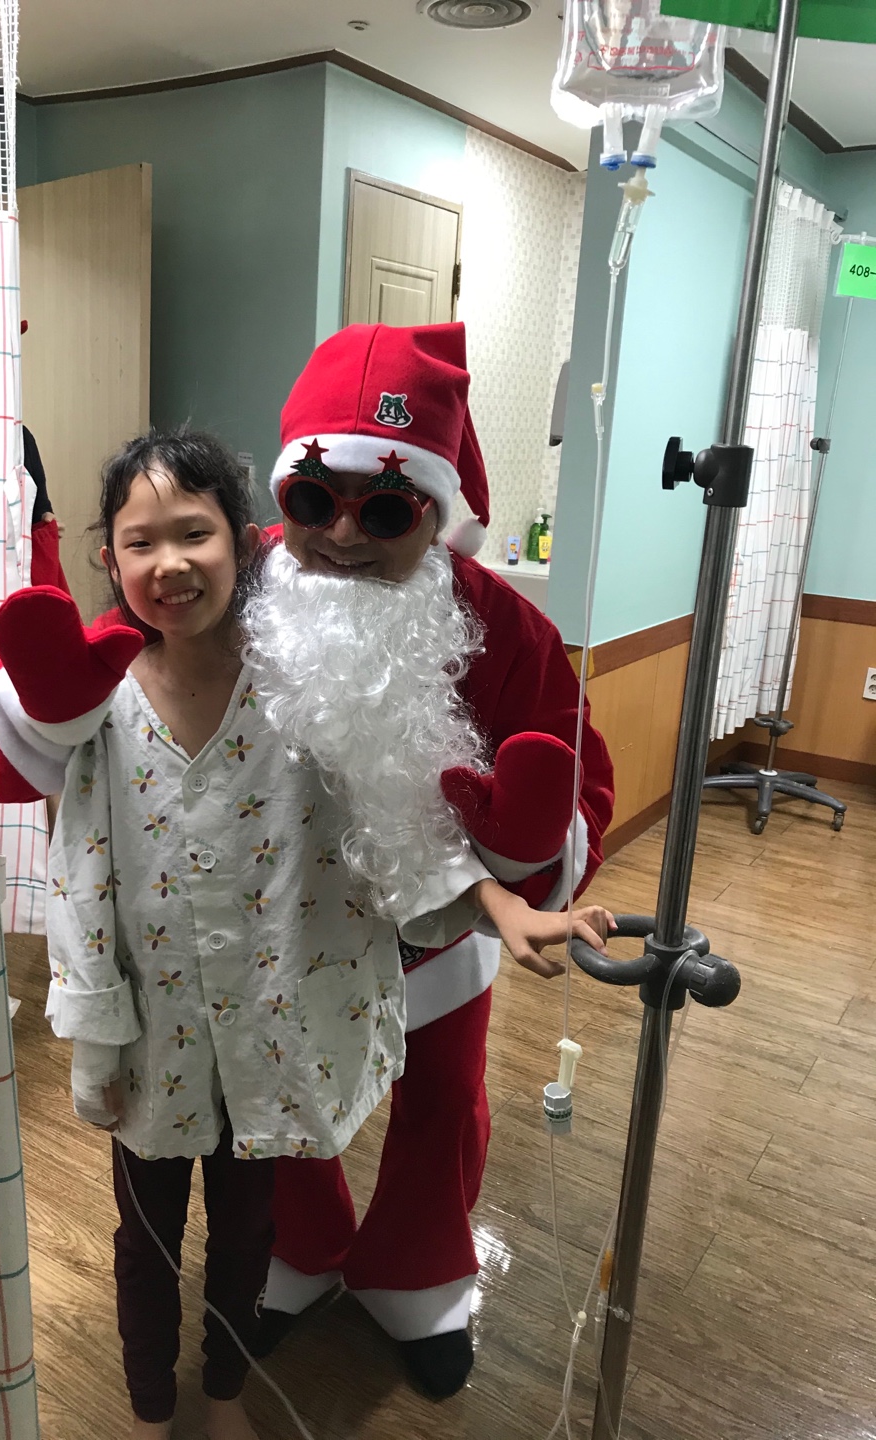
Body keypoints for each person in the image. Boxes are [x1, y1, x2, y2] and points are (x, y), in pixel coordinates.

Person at [0, 429, 615, 1437]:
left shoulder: (300, 696)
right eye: (142, 543)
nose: (171, 563)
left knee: (251, 1230)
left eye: (195, 535)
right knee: (145, 1240)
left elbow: (393, 829)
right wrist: (93, 1026)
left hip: (271, 1032)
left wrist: (506, 901)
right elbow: (71, 857)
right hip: (151, 1038)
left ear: (244, 544)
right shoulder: (100, 708)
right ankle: (150, 1409)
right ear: (111, 559)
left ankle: (229, 1394)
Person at [239, 321, 615, 1399]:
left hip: (445, 923)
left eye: (387, 511)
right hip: (281, 914)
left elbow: (578, 776)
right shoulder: (237, 581)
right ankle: (299, 1250)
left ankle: (418, 1275)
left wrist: (529, 841)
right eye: (314, 500)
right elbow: (124, 665)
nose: (342, 536)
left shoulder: (505, 626)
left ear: (436, 513)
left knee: (442, 1099)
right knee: (282, 1086)